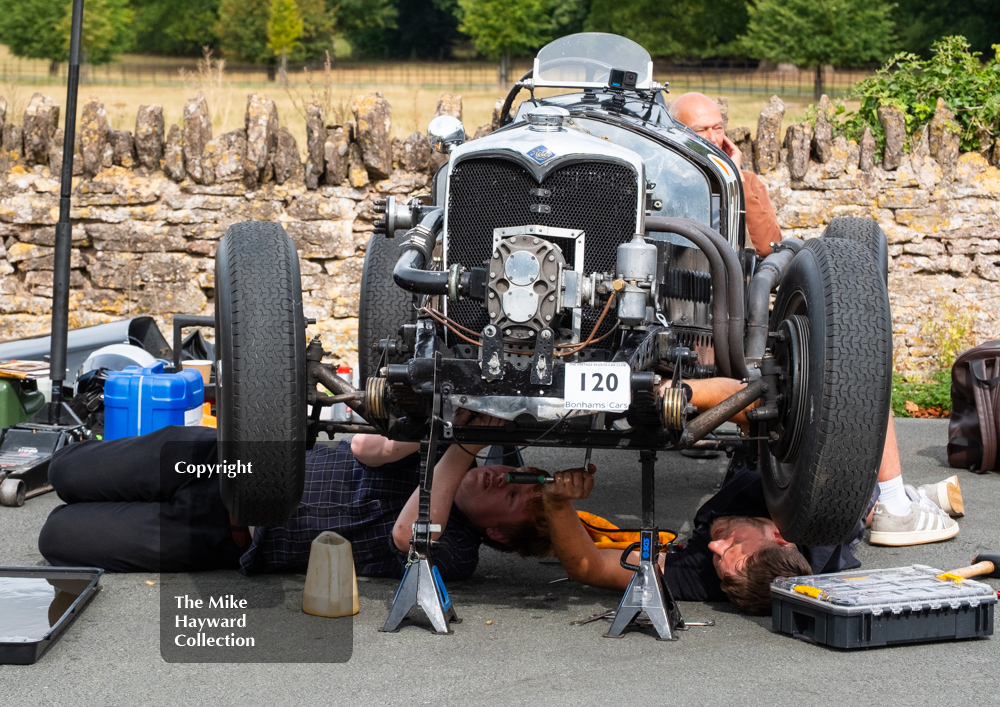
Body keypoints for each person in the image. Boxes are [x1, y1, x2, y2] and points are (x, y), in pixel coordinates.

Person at [541, 377, 963, 615]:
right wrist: (675, 392)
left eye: (718, 560)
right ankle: (898, 500)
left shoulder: (711, 577)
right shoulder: (818, 511)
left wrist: (556, 503)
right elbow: (749, 397)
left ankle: (910, 498)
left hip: (752, 480)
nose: (712, 545)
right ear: (780, 536)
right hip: (834, 472)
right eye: (733, 549)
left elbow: (590, 568)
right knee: (856, 386)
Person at [38, 415, 551, 579]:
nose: (501, 478)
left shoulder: (457, 554)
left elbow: (405, 535)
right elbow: (366, 447)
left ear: (498, 532)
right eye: (513, 473)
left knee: (56, 536)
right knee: (64, 469)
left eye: (511, 497)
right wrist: (441, 426)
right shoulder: (442, 449)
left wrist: (461, 448)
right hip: (221, 458)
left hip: (224, 532)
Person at [668, 91, 782, 256]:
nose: (713, 138)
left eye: (718, 128)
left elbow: (769, 247)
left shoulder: (747, 181)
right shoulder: (664, 180)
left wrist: (735, 177)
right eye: (700, 130)